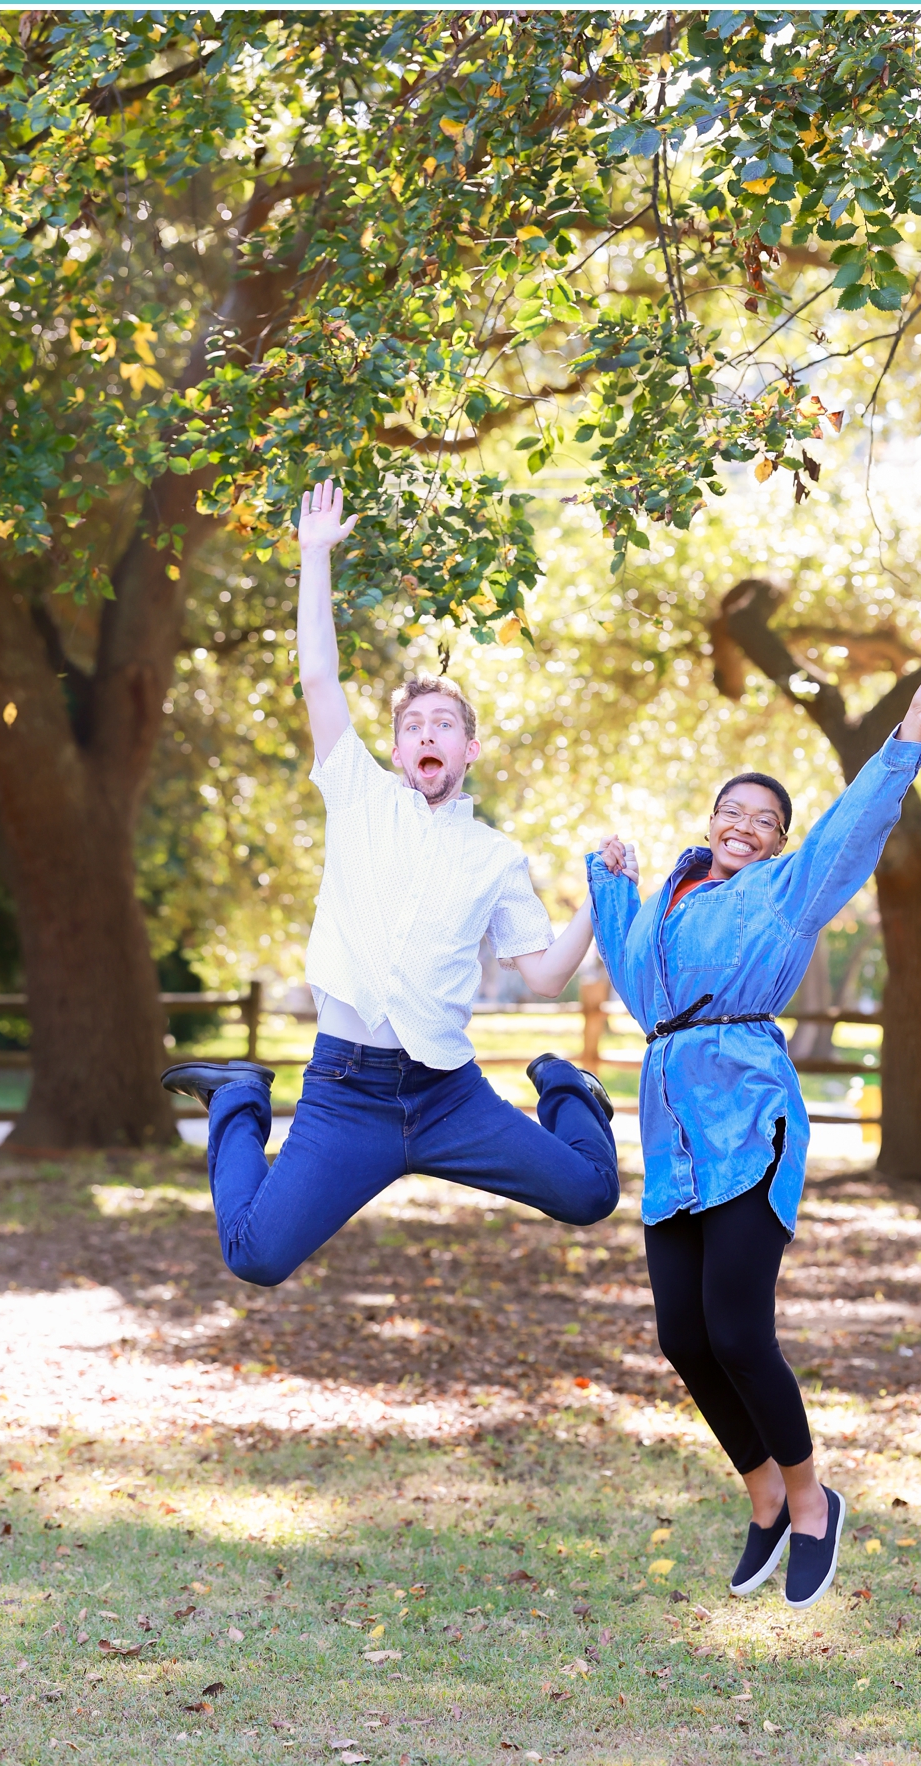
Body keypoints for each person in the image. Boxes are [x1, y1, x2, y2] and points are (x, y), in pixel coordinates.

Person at [162, 477, 619, 1288]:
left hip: (449, 1095)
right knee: (256, 1254)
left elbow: (547, 976)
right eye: (413, 727)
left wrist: (596, 896)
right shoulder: (358, 793)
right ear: (399, 750)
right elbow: (318, 678)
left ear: (469, 750)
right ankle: (238, 1097)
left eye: (445, 724)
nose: (427, 733)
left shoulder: (496, 856)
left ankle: (566, 1086)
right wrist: (313, 558)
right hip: (346, 1093)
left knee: (589, 1192)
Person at [587, 665, 921, 1609]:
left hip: (750, 1117)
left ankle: (812, 1502)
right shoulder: (669, 902)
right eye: (733, 812)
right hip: (671, 1132)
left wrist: (907, 735)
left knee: (740, 1327)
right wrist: (611, 879)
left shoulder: (788, 892)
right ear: (710, 818)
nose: (745, 826)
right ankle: (762, 1499)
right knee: (682, 1334)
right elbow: (636, 993)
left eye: (764, 820)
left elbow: (848, 830)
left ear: (780, 841)